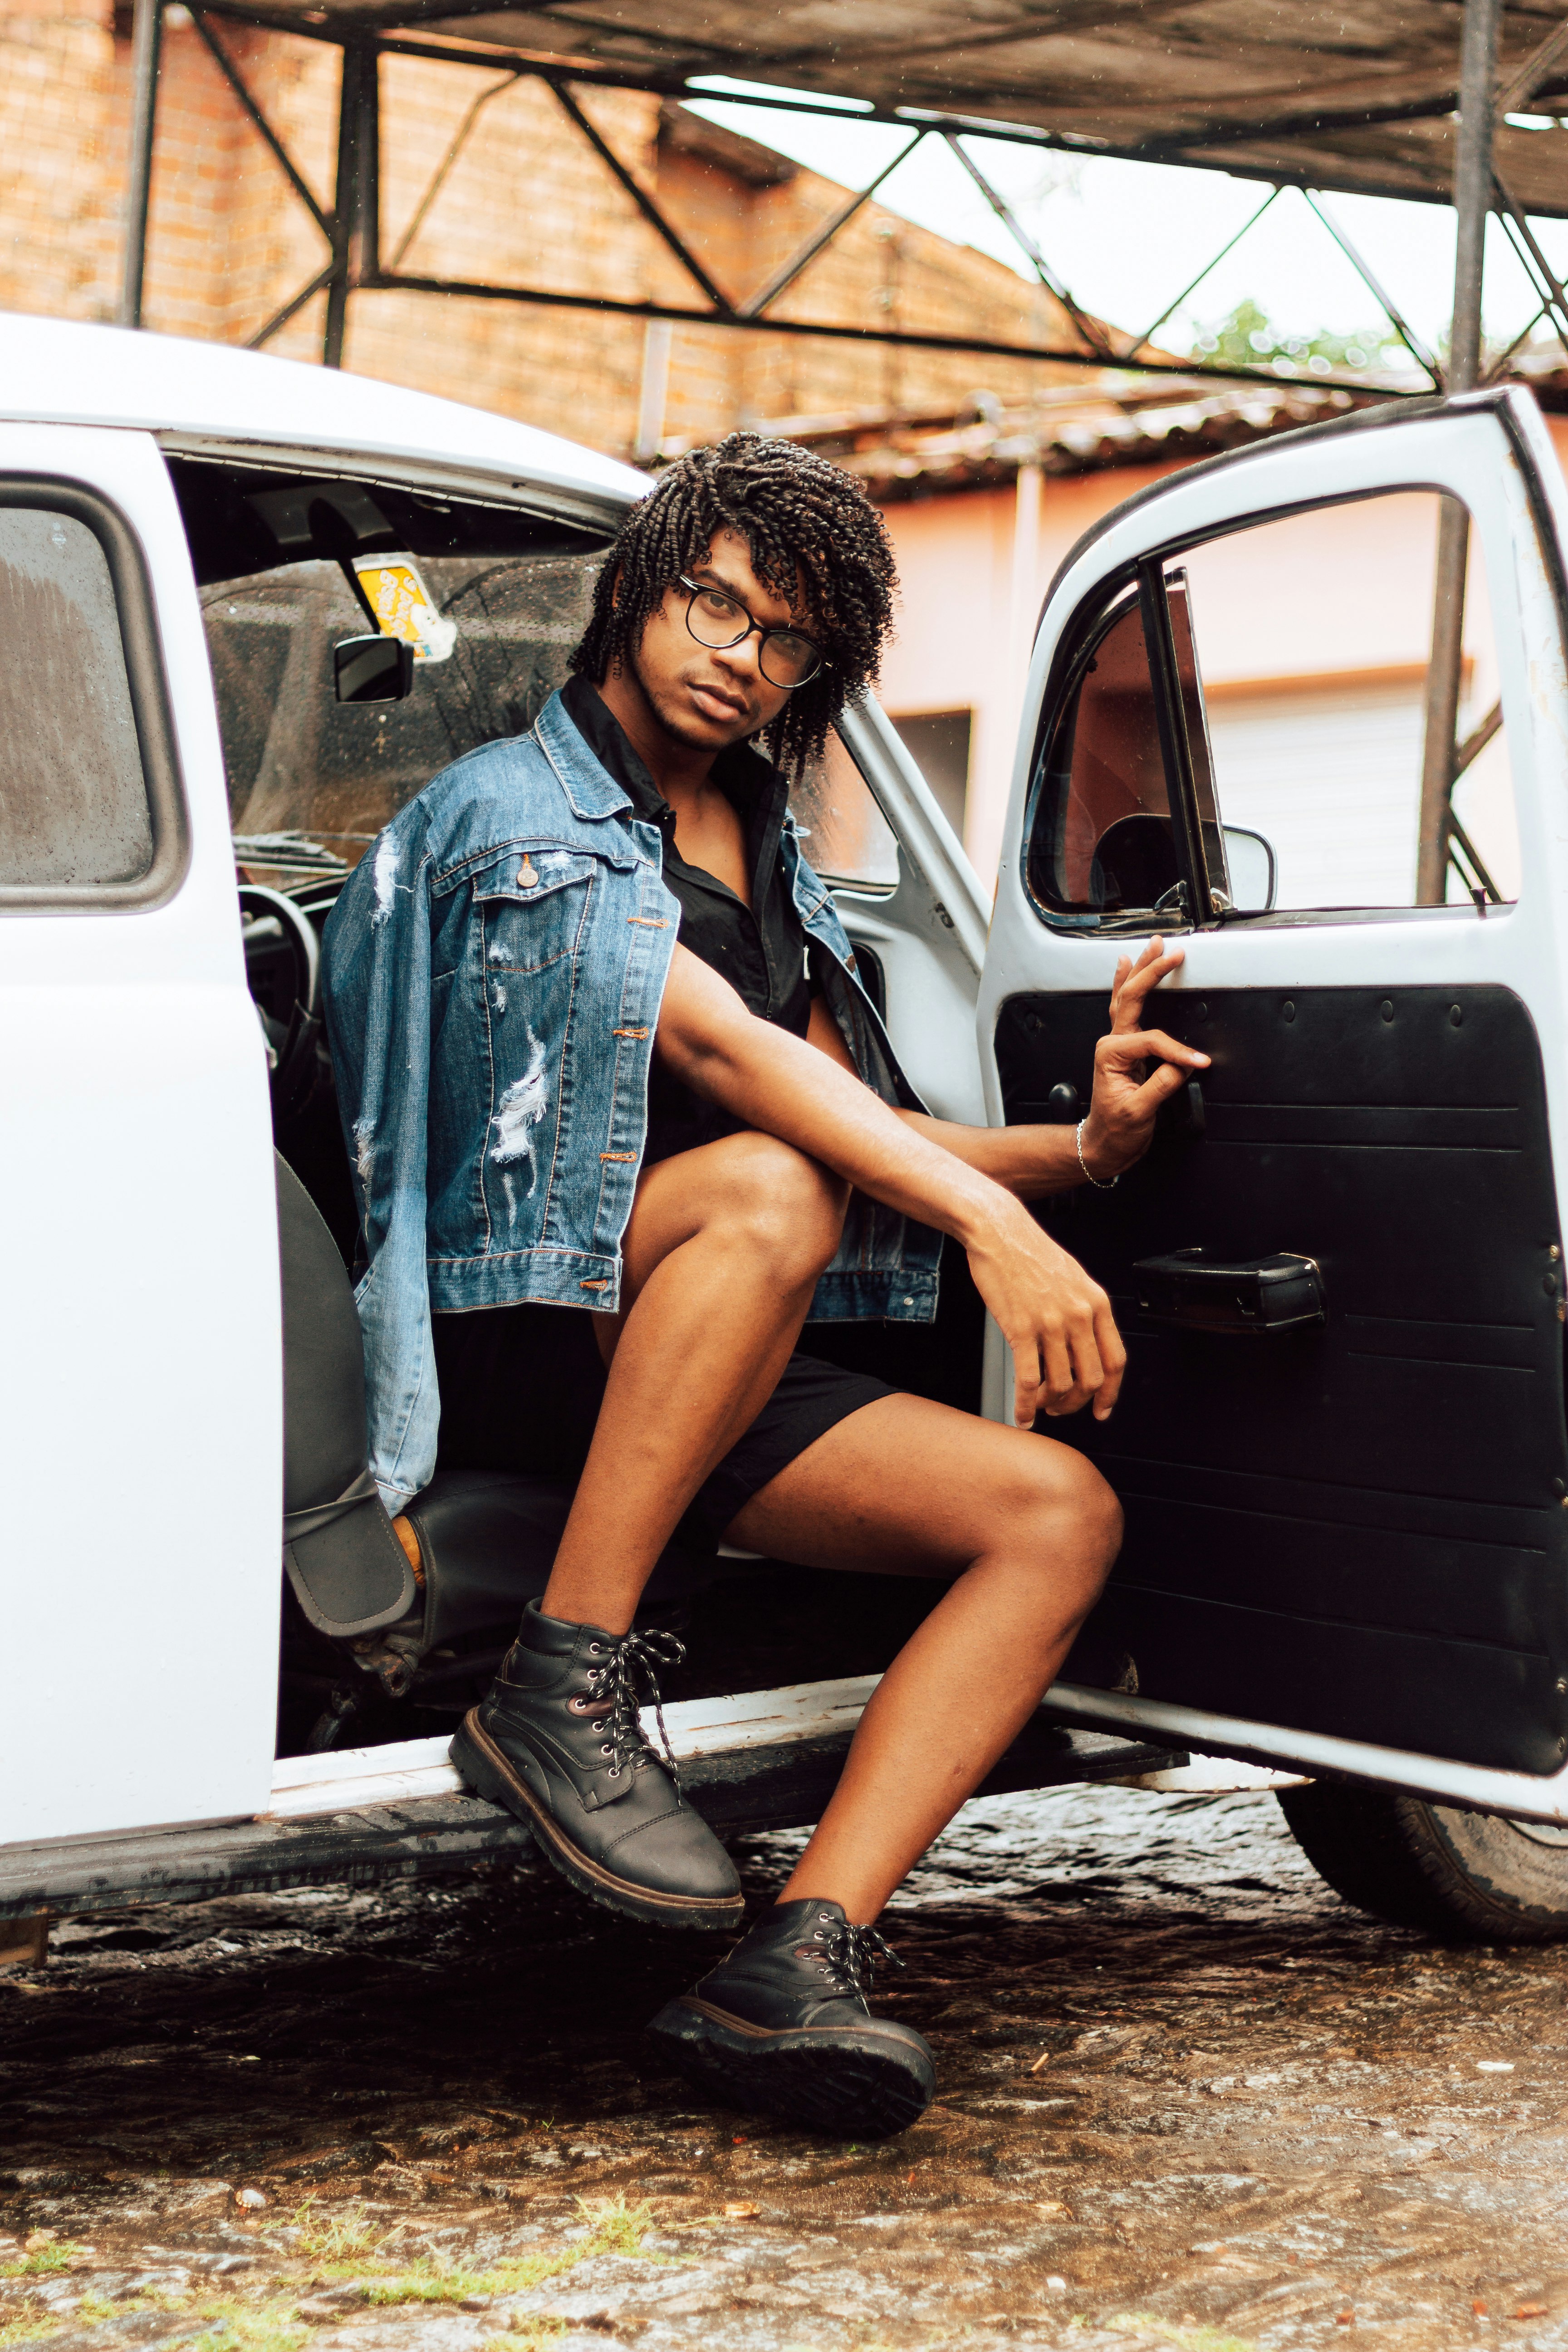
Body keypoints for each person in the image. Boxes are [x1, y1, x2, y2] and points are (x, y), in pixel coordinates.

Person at [322, 433, 1208, 2138]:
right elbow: (722, 1056)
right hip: (531, 1321)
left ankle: (793, 1963)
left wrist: (1080, 1161)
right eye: (712, 604)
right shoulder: (519, 810)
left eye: (785, 637)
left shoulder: (767, 840)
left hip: (720, 1314)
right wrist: (994, 1233)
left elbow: (867, 1123)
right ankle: (560, 1683)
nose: (739, 652)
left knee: (1057, 1515)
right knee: (764, 1186)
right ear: (634, 594)